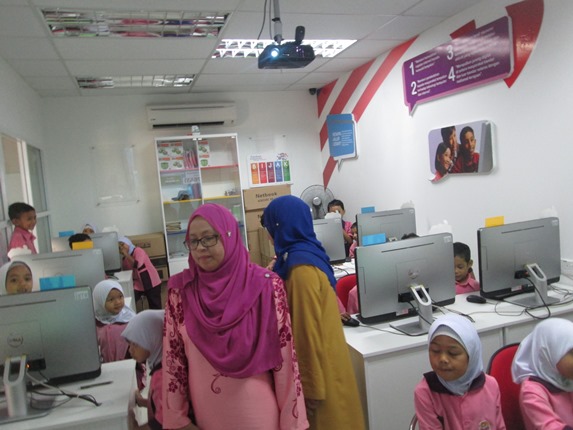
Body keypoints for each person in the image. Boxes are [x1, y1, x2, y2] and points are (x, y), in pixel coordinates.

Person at [162, 203, 308, 430]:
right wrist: (178, 421)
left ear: (229, 236)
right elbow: (173, 362)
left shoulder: (266, 287)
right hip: (206, 420)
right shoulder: (180, 294)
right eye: (193, 241)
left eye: (209, 238)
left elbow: (286, 362)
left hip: (259, 417)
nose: (200, 248)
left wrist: (293, 423)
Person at [263, 195, 365, 429]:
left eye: (269, 226)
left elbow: (306, 332)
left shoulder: (300, 269)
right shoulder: (306, 255)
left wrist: (309, 388)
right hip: (329, 361)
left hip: (322, 376)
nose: (268, 234)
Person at [414, 314, 506, 429]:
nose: (443, 359)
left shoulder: (490, 385)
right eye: (435, 351)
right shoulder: (425, 392)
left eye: (453, 353)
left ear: (471, 355)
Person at [512, 318, 573, 429]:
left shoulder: (568, 377)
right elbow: (549, 426)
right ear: (551, 353)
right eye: (572, 353)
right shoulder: (532, 392)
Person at [122, 310, 165, 430]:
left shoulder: (162, 377)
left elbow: (163, 423)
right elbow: (164, 406)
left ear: (153, 338)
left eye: (135, 344)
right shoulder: (164, 366)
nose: (130, 350)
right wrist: (142, 402)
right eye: (129, 344)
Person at [93, 279, 136, 363]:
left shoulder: (129, 319)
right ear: (100, 302)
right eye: (111, 299)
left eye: (120, 297)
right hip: (105, 366)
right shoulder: (95, 323)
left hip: (128, 364)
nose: (118, 302)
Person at [119, 236, 162, 310]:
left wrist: (126, 254)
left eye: (123, 244)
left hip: (151, 282)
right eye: (119, 247)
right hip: (138, 284)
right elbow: (127, 274)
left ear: (128, 243)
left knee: (155, 306)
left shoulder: (138, 251)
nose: (122, 248)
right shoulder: (124, 260)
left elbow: (137, 264)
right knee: (130, 300)